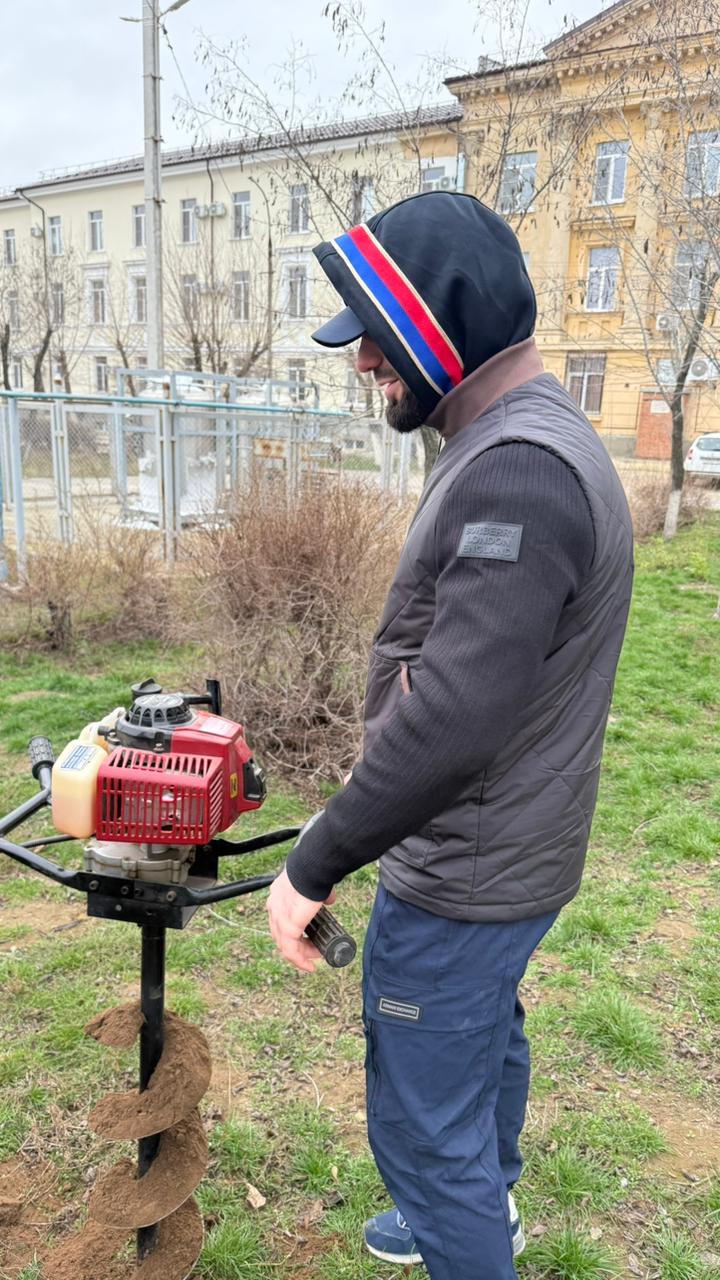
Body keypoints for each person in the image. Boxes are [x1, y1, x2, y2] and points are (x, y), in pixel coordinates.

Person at [266, 191, 634, 1280]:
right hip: (510, 850)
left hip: (467, 868)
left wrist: (314, 860)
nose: (362, 361)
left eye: (376, 337)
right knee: (483, 1036)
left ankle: (461, 1214)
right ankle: (484, 1202)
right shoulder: (520, 437)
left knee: (423, 1133)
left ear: (442, 325)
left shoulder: (518, 471)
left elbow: (455, 718)